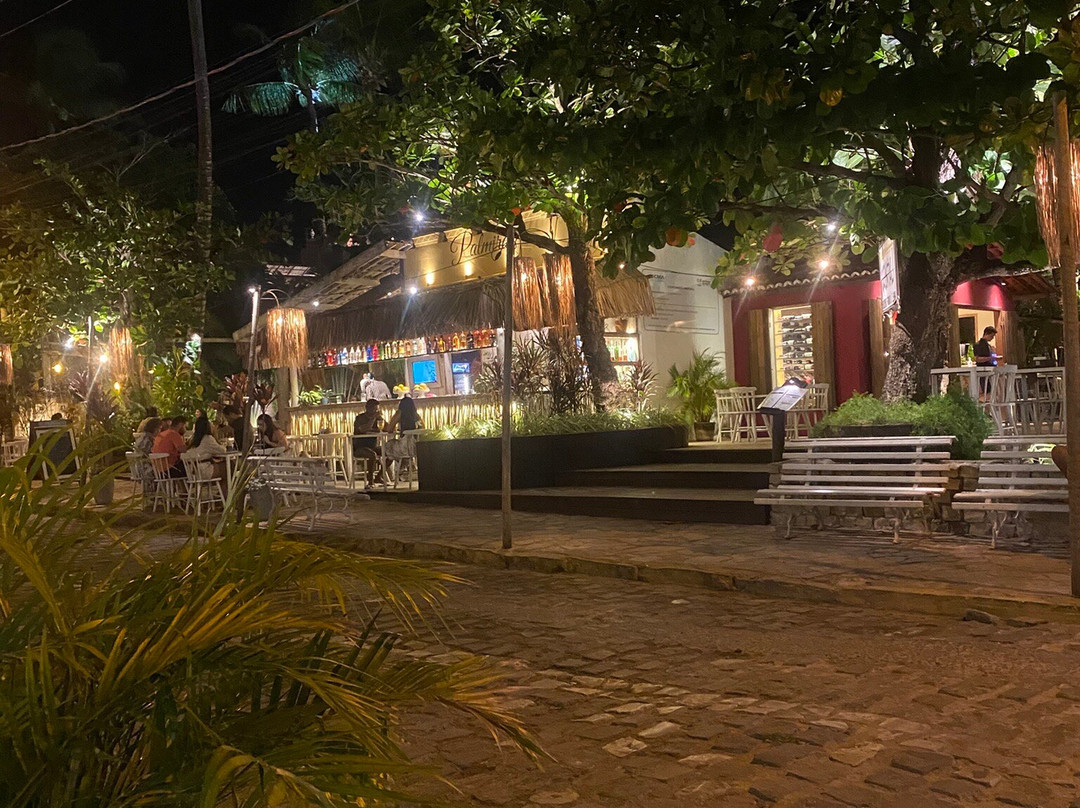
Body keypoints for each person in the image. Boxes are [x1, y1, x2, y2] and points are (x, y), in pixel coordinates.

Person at [352, 399, 386, 488]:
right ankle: (370, 481)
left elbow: (386, 428)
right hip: (359, 447)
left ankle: (379, 476)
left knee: (389, 452)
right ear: (367, 408)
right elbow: (363, 429)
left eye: (377, 410)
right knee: (372, 455)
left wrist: (383, 421)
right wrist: (373, 418)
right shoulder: (360, 418)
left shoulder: (378, 419)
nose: (375, 412)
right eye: (374, 410)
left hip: (373, 446)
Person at [187, 414, 228, 483]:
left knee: (224, 468)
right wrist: (216, 436)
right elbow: (222, 451)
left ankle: (223, 490)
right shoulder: (208, 438)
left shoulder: (193, 439)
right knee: (229, 467)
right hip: (204, 471)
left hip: (192, 472)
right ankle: (227, 490)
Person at [974, 326, 999, 399]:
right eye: (992, 336)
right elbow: (977, 359)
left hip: (989, 370)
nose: (992, 338)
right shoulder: (979, 345)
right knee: (986, 390)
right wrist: (991, 358)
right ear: (986, 334)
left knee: (990, 389)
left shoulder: (988, 345)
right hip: (983, 370)